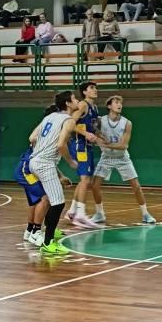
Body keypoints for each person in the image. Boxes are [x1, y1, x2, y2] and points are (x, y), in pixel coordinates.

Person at [27, 90, 80, 256]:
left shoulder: (49, 117)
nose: (77, 100)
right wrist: (71, 161)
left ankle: (45, 235)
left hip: (34, 161)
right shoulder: (69, 120)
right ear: (68, 104)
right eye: (74, 98)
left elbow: (32, 137)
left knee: (52, 200)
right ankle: (48, 243)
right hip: (44, 163)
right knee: (58, 203)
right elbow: (60, 145)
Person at [93, 95, 156, 225]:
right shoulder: (100, 120)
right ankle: (99, 214)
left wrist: (107, 144)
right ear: (109, 106)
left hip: (122, 158)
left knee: (136, 187)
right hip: (106, 157)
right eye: (116, 102)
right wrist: (99, 140)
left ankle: (145, 214)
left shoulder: (127, 123)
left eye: (121, 102)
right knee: (94, 186)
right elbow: (95, 134)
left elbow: (124, 145)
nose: (119, 104)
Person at [15, 140, 72, 247]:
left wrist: (61, 176)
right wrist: (70, 162)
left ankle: (30, 231)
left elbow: (50, 163)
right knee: (45, 198)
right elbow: (32, 139)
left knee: (36, 202)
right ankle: (35, 232)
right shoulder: (51, 139)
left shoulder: (52, 138)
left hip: (32, 169)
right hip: (27, 169)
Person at [65, 81, 102, 229]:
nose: (95, 90)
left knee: (85, 180)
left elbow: (93, 128)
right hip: (80, 145)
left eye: (96, 87)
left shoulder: (95, 108)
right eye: (92, 88)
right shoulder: (83, 105)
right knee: (85, 179)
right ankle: (80, 213)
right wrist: (85, 133)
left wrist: (100, 139)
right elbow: (69, 123)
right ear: (85, 92)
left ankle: (72, 211)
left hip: (88, 146)